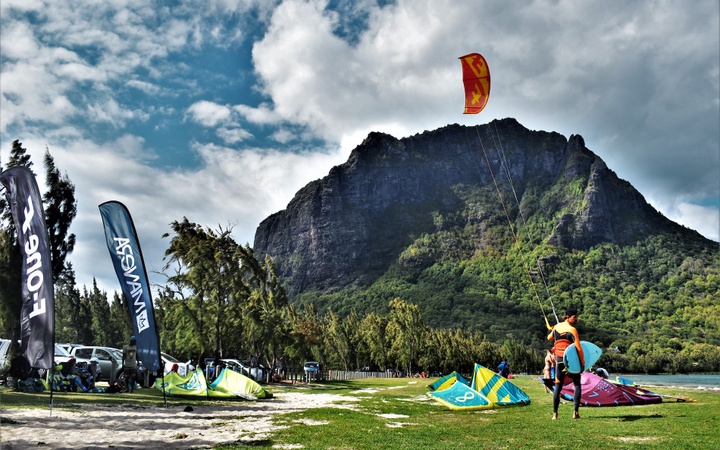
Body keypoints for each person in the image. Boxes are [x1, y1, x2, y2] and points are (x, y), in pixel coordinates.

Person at [547, 307, 584, 420]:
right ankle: (575, 413)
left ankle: (555, 414)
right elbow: (578, 349)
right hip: (570, 361)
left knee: (558, 385)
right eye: (575, 317)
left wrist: (553, 330)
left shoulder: (557, 327)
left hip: (559, 360)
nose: (576, 319)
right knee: (577, 384)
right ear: (568, 317)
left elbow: (549, 338)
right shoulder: (572, 330)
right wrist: (582, 363)